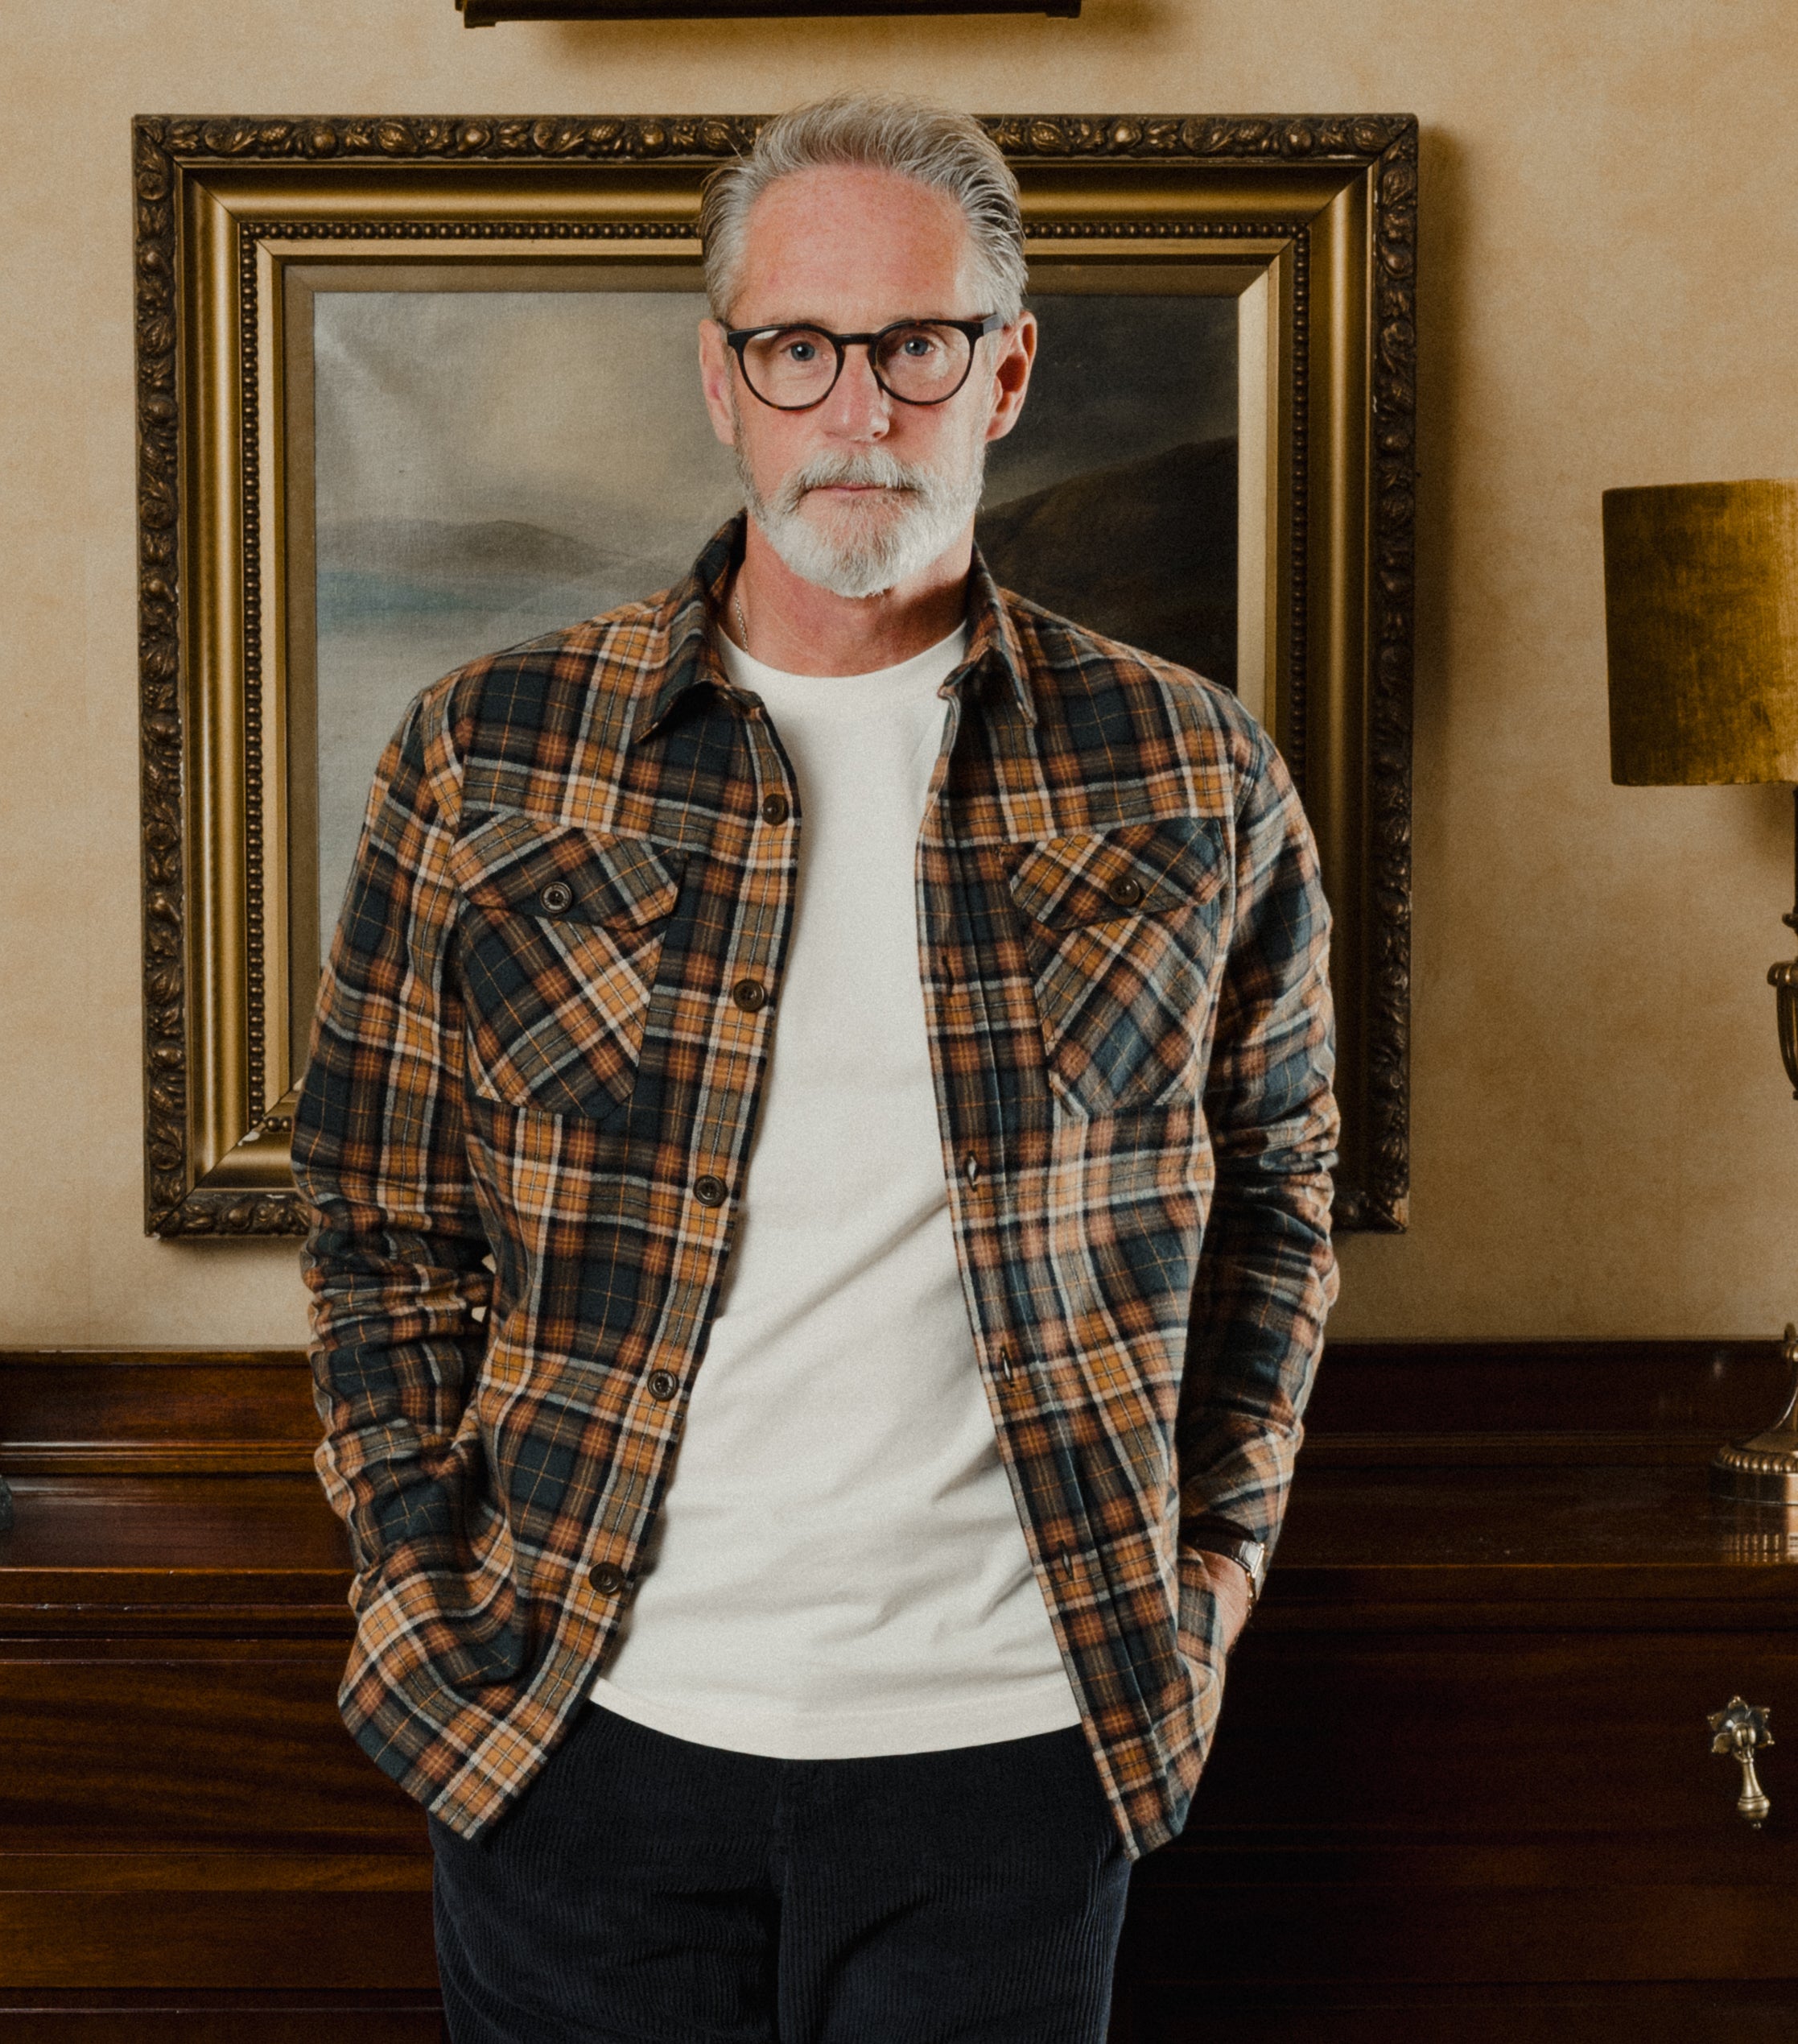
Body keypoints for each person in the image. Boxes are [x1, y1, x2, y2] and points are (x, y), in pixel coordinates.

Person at [293, 90, 1338, 2044]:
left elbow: (1278, 1204)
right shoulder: (488, 755)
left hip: (1018, 1756)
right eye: (798, 347)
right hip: (573, 1738)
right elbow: (376, 1220)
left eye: (914, 345)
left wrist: (1211, 1577)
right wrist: (423, 1590)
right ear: (724, 376)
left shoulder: (1194, 777)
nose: (857, 406)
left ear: (1002, 369)